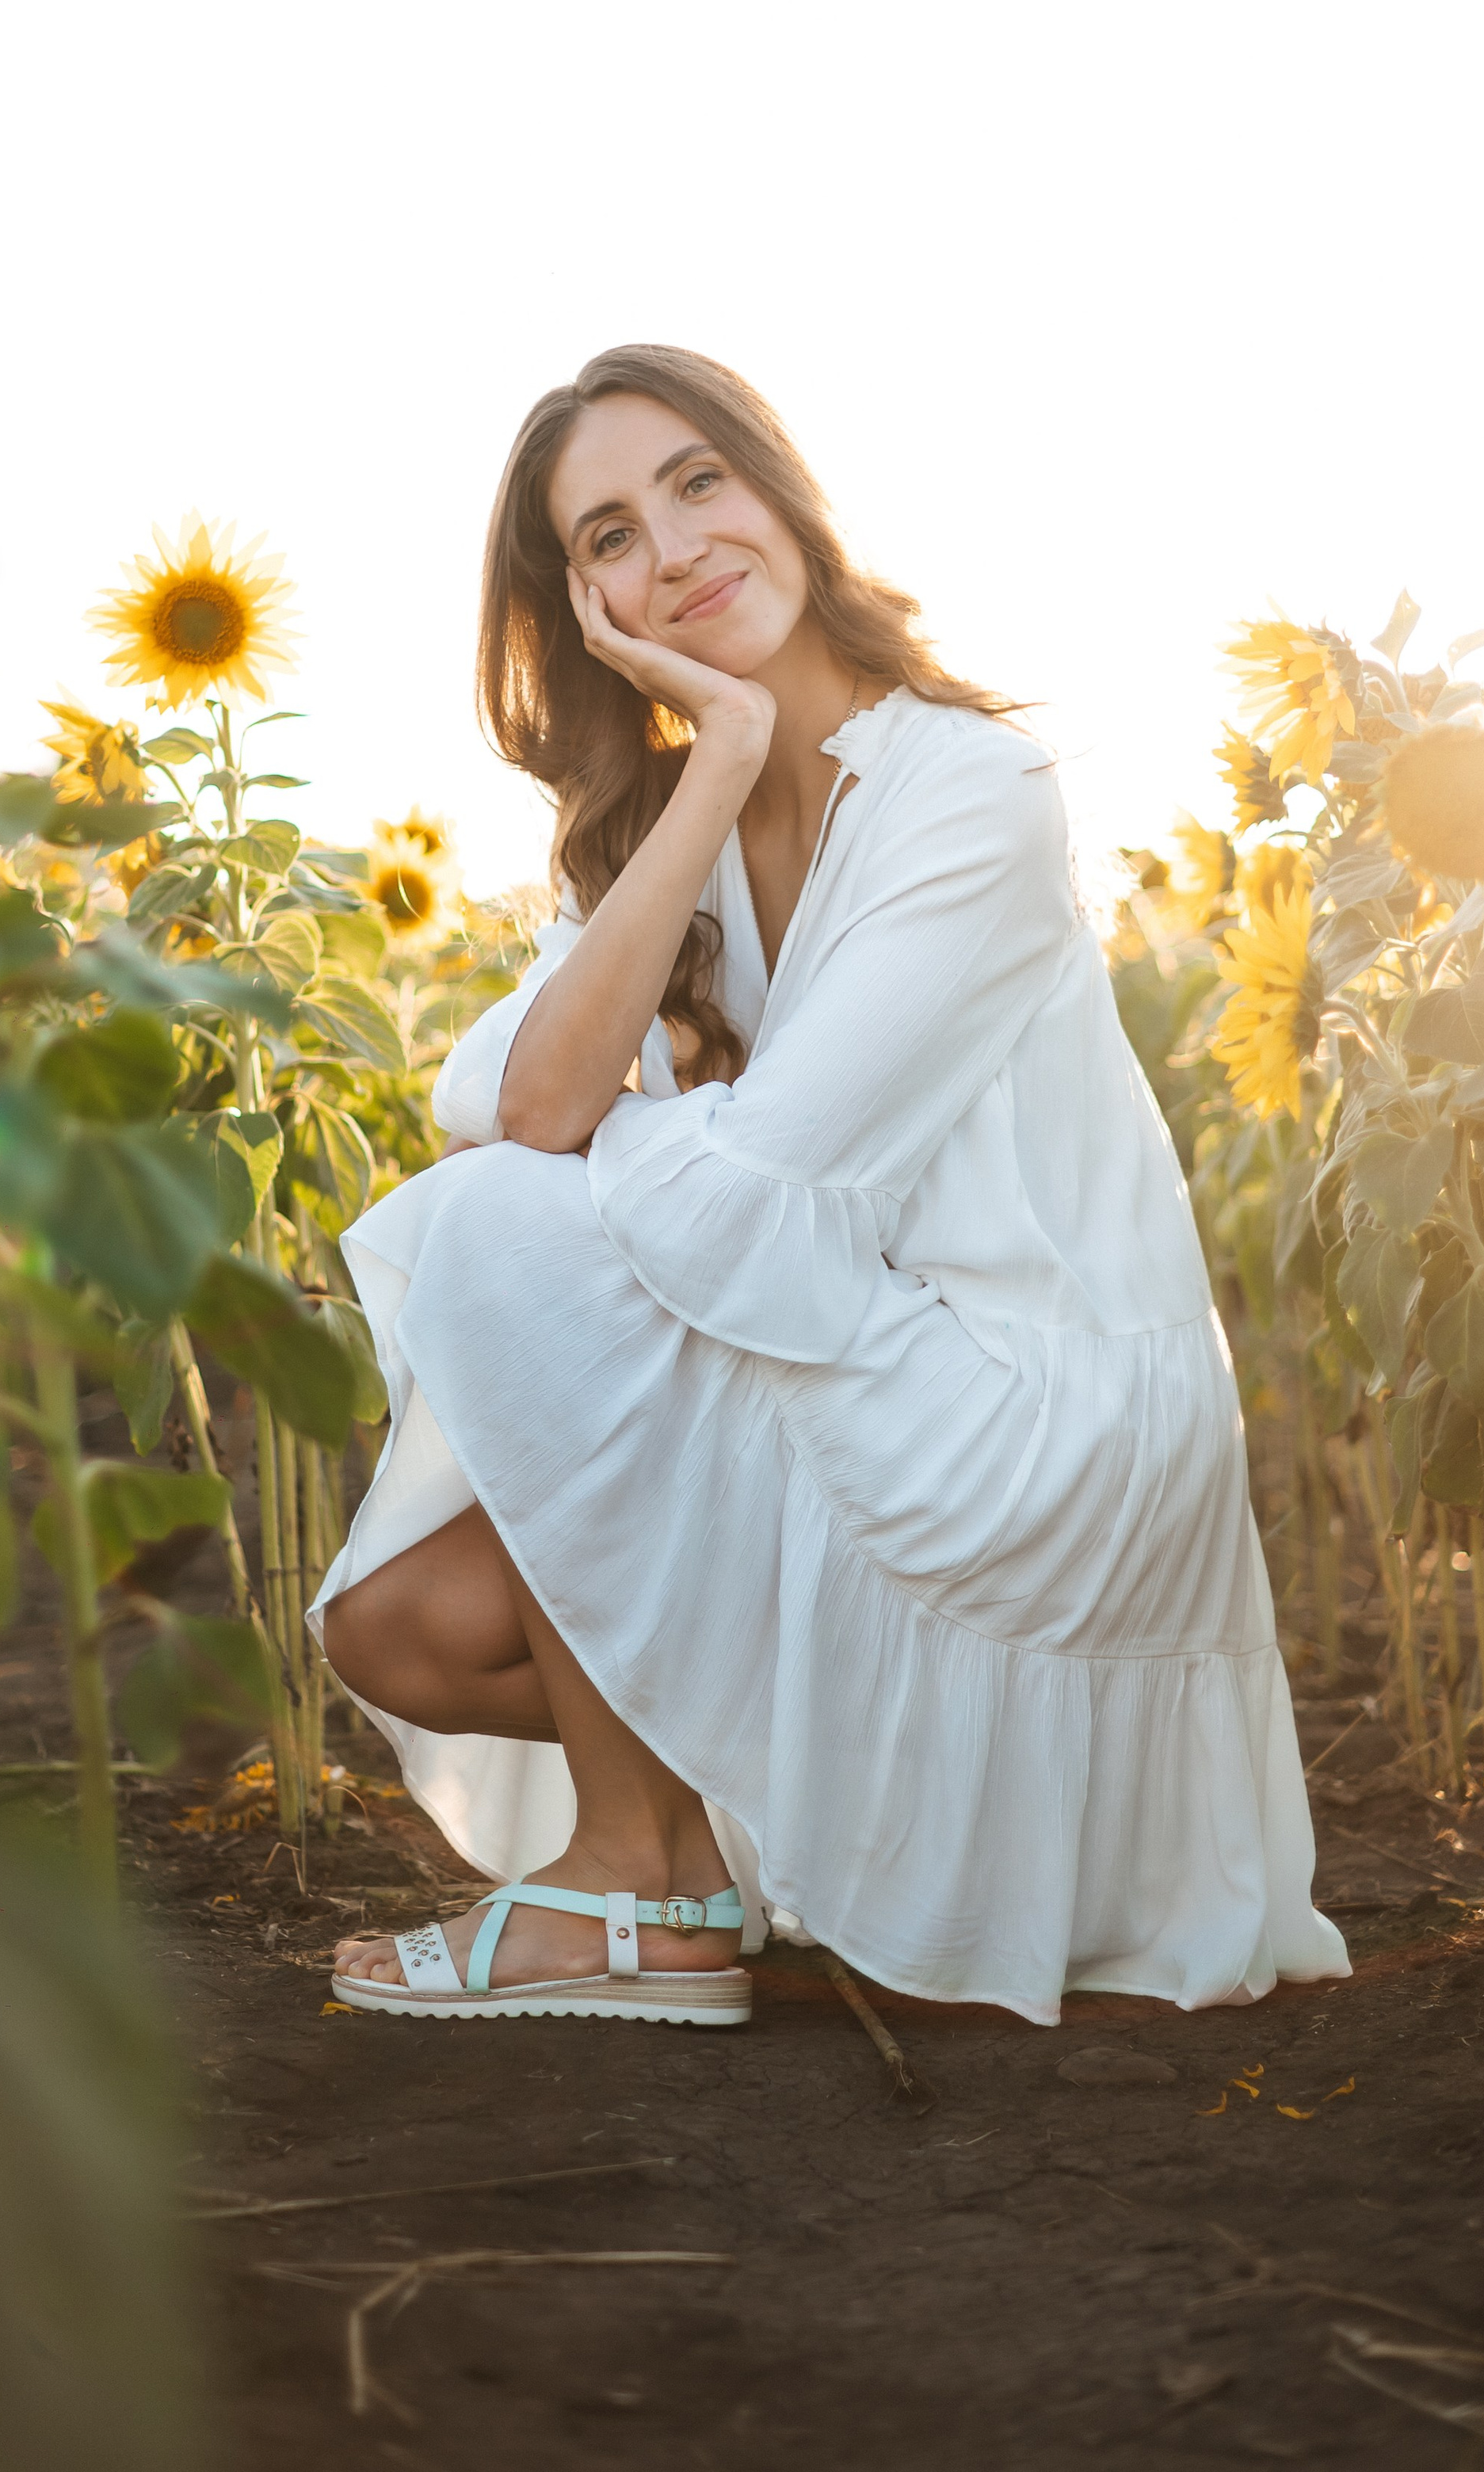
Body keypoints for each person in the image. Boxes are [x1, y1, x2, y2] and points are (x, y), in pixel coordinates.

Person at [312, 345, 1348, 2027]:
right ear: (581, 607)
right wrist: (711, 762)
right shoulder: (669, 816)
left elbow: (725, 1201)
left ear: (780, 490)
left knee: (510, 1223)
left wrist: (606, 1151)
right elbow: (510, 1094)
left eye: (698, 481)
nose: (674, 546)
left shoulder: (966, 791)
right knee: (399, 1627)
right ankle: (696, 1845)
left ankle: (640, 1887)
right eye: (609, 534)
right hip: (855, 1357)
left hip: (1032, 1406)